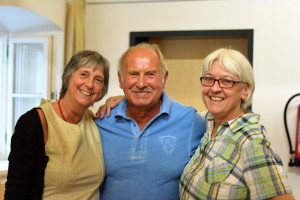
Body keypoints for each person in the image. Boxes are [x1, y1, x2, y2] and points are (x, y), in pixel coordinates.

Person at [179, 48, 295, 199]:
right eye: (209, 79)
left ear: (245, 91)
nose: (214, 88)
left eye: (227, 81)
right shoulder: (208, 122)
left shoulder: (252, 142)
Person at [95, 42, 206, 200]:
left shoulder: (191, 121)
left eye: (150, 74)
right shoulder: (101, 122)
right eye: (133, 74)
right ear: (121, 79)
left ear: (164, 78)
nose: (141, 84)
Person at [5, 50, 110, 199]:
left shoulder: (92, 121)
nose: (90, 84)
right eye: (84, 74)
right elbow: (15, 193)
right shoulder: (35, 122)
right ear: (68, 76)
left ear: (102, 91)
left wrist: (122, 100)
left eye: (98, 79)